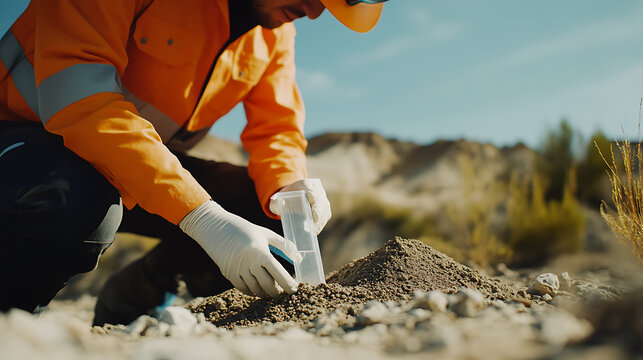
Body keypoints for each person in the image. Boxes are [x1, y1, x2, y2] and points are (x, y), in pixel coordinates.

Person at [0, 0, 387, 325]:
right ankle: (13, 327)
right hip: (20, 147)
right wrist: (201, 217)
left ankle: (135, 300)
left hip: (127, 166)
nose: (315, 13)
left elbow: (277, 128)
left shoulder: (277, 33)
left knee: (268, 212)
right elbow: (80, 97)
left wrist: (288, 186)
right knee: (74, 200)